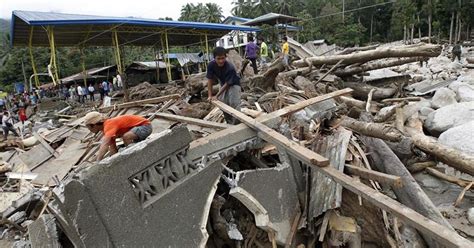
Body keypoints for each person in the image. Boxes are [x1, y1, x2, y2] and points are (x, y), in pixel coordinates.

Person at [84, 111, 153, 161]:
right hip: (136, 131)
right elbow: (112, 148)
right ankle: (132, 155)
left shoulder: (109, 124)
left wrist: (98, 162)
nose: (89, 130)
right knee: (125, 140)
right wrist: (115, 161)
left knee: (126, 137)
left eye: (88, 127)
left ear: (93, 125)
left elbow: (104, 145)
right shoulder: (106, 130)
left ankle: (133, 158)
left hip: (145, 127)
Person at [206, 47, 242, 125]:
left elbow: (228, 84)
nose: (221, 61)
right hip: (222, 83)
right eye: (218, 59)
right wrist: (210, 95)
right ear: (214, 58)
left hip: (234, 84)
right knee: (223, 104)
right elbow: (209, 80)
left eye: (223, 58)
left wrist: (216, 95)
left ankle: (237, 124)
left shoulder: (230, 67)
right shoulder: (211, 65)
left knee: (234, 103)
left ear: (225, 57)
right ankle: (229, 123)